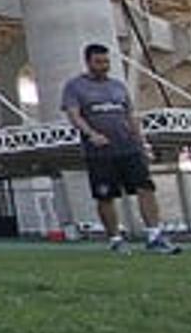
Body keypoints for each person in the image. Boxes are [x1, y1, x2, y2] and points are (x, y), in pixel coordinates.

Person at [62, 43, 180, 254]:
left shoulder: (118, 86)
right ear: (88, 62)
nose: (103, 66)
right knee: (105, 196)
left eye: (106, 61)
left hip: (128, 147)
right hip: (99, 152)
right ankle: (115, 239)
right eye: (98, 62)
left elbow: (130, 116)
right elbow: (74, 114)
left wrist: (142, 142)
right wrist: (91, 134)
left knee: (146, 188)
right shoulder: (75, 87)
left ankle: (154, 236)